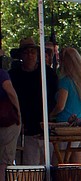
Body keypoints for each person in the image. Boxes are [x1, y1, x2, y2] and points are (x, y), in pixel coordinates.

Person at [9, 36, 58, 164]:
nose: (30, 55)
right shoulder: (13, 75)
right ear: (20, 56)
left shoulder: (48, 73)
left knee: (47, 169)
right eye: (26, 52)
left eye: (32, 51)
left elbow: (56, 98)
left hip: (46, 128)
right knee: (28, 169)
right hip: (24, 129)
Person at [50, 46, 81, 164]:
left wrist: (50, 115)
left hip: (65, 128)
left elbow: (61, 106)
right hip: (79, 127)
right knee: (78, 169)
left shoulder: (65, 81)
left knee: (59, 165)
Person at [0, 61, 22, 181]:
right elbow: (11, 92)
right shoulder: (1, 73)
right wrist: (19, 113)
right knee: (2, 166)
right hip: (5, 124)